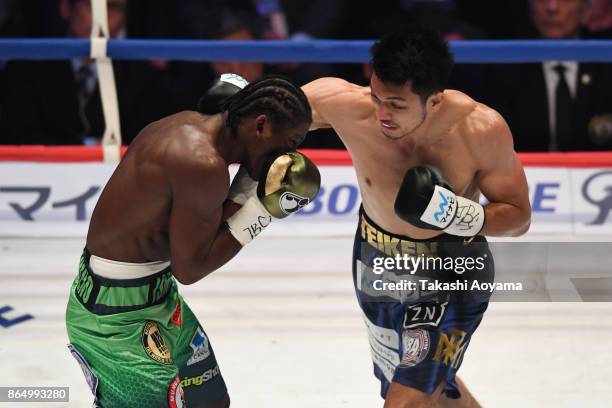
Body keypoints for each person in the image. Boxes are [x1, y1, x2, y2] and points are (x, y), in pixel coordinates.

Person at [303, 26, 531, 407]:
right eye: (376, 97)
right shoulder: (344, 103)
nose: (381, 114)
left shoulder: (479, 129)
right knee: (428, 387)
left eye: (396, 104)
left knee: (405, 399)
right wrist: (240, 100)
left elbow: (519, 217)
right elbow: (267, 116)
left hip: (451, 269)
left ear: (435, 100)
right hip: (374, 260)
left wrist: (456, 214)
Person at [65, 74, 321, 408]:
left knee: (211, 401)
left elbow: (206, 229)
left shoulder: (190, 126)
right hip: (115, 320)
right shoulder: (201, 163)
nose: (287, 157)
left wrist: (250, 179)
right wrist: (263, 210)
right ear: (260, 126)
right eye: (289, 143)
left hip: (156, 296)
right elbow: (190, 268)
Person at [487, 0, 612, 151]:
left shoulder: (605, 65)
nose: (552, 7)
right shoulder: (503, 71)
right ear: (530, 9)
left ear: (586, 11)